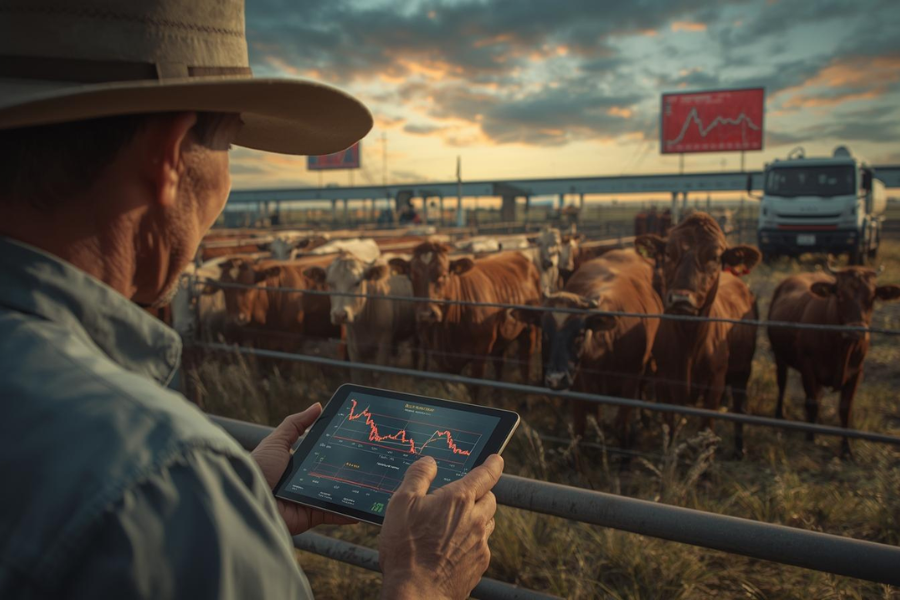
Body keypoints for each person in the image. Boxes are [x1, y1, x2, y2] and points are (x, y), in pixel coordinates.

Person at [0, 2, 502, 599]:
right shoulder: (161, 477)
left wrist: (241, 511)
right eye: (231, 144)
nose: (226, 182)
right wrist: (424, 583)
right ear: (170, 154)